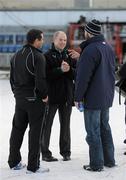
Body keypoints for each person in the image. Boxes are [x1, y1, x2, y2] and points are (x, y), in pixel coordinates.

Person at [74, 19, 116, 171]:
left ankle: (96, 164)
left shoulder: (90, 50)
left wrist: (78, 97)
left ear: (88, 32)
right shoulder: (108, 48)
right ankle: (109, 160)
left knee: (93, 131)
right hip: (106, 96)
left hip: (93, 98)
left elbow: (83, 77)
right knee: (105, 127)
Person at [8, 29, 49, 173]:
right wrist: (44, 95)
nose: (43, 42)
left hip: (20, 99)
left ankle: (14, 162)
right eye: (42, 39)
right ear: (36, 40)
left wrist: (17, 94)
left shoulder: (16, 55)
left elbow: (11, 79)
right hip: (34, 100)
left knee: (17, 130)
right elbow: (40, 80)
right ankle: (33, 166)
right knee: (35, 132)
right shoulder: (38, 56)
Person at [41, 31, 76, 162]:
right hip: (52, 97)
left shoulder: (69, 55)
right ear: (54, 40)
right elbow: (46, 75)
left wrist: (69, 70)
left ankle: (66, 152)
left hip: (66, 96)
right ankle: (45, 152)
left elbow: (76, 74)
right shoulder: (47, 56)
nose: (63, 42)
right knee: (47, 125)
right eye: (60, 39)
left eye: (65, 40)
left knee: (66, 125)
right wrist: (60, 70)